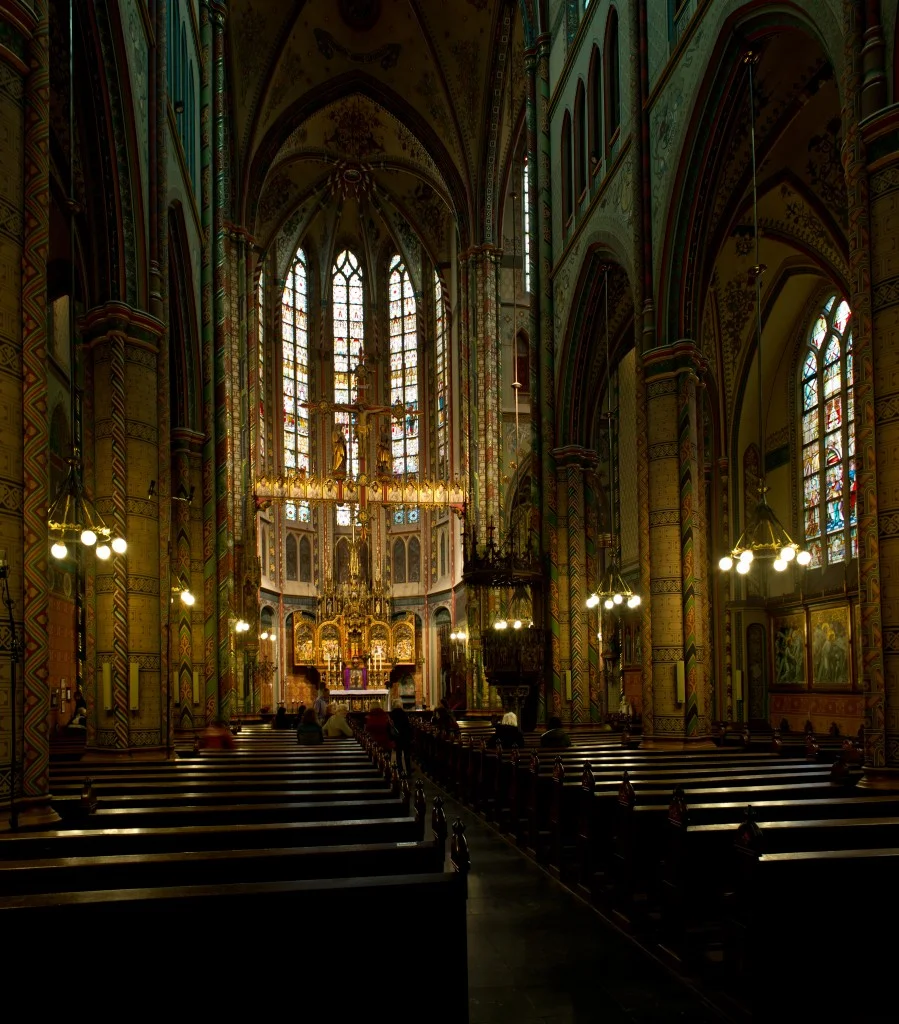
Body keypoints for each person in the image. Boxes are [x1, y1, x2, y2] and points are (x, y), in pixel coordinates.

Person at [389, 701, 414, 775]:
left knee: (398, 754)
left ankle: (400, 771)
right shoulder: (404, 713)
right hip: (405, 736)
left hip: (397, 737)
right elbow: (408, 725)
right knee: (406, 754)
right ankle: (408, 770)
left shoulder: (392, 714)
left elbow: (391, 726)